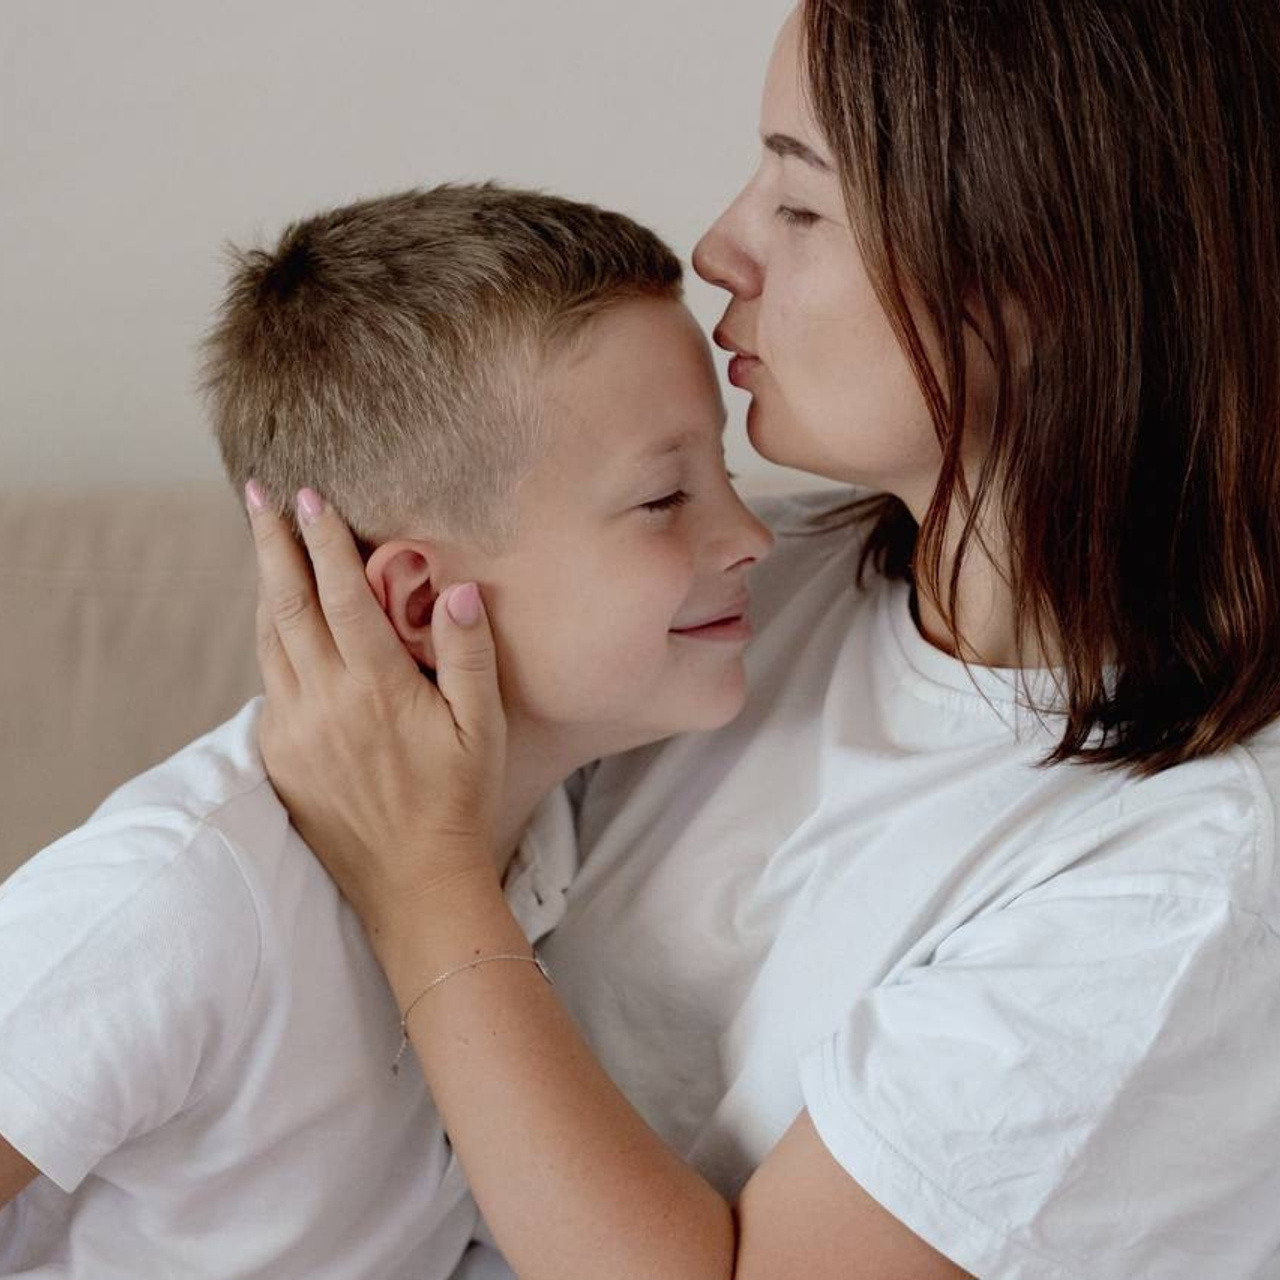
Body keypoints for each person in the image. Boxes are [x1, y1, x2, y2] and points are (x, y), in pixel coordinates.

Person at [240, 3, 1280, 1278]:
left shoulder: (1188, 888)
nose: (719, 244)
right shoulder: (738, 585)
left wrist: (424, 884)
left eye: (800, 205)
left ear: (1041, 277)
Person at [0, 183, 771, 1277]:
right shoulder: (183, 898)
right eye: (664, 498)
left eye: (727, 476)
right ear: (418, 603)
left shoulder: (550, 838)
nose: (748, 534)